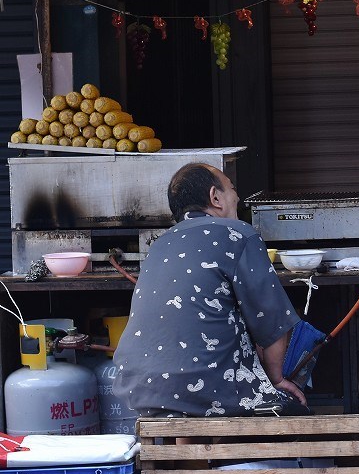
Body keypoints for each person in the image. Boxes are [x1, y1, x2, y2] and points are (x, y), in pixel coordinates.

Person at [114, 163, 306, 418]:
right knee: (296, 412)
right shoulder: (239, 234)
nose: (237, 197)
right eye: (232, 189)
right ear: (215, 197)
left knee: (189, 401)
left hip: (138, 388)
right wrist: (277, 379)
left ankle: (193, 456)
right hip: (209, 390)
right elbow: (271, 322)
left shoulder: (159, 245)